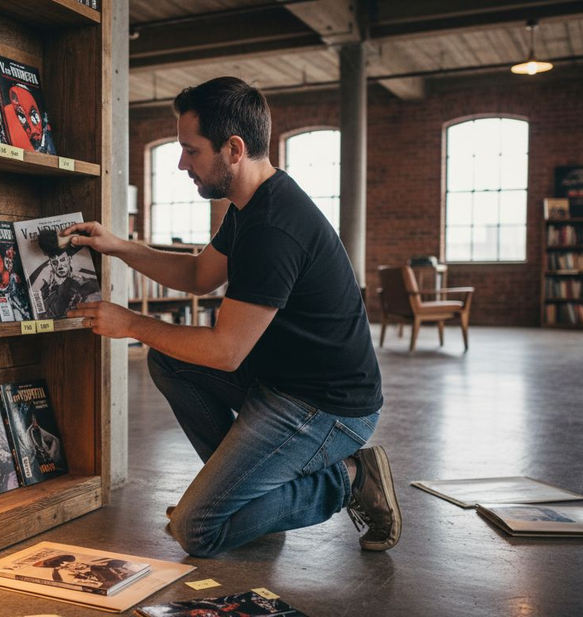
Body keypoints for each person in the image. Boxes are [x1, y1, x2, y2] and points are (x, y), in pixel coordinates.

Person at [66, 76, 400, 557]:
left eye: (191, 150)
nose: (182, 163)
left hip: (327, 409)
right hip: (280, 382)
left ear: (234, 148)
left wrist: (133, 325)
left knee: (198, 531)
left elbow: (225, 352)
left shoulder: (273, 227)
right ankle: (242, 496)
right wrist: (117, 245)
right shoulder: (250, 205)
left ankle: (350, 479)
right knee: (168, 359)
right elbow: (200, 274)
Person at [38, 236, 101, 318]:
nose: (60, 266)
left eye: (62, 260)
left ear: (69, 259)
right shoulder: (46, 289)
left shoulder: (85, 283)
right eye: (55, 262)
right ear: (51, 265)